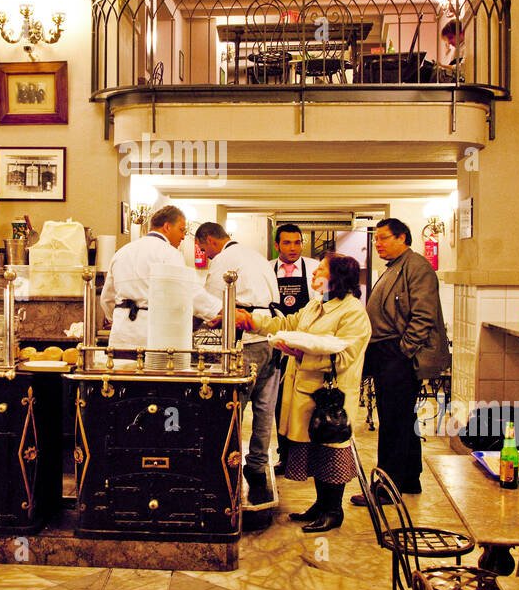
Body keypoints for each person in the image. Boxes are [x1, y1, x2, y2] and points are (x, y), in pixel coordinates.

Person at [236, 253, 370, 532]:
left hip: (330, 398)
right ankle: (320, 505)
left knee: (331, 450)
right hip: (305, 392)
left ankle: (334, 511)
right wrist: (253, 321)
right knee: (316, 451)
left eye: (320, 269)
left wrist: (302, 354)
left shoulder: (353, 311)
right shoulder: (315, 304)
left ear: (336, 277)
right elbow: (287, 324)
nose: (313, 273)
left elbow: (346, 355)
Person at [352, 217, 448, 504]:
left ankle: (387, 487)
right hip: (387, 352)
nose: (377, 244)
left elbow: (423, 315)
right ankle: (409, 478)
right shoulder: (397, 266)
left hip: (399, 354)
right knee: (403, 418)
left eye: (383, 238)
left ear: (402, 238)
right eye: (376, 239)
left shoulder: (417, 267)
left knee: (394, 421)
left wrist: (405, 351)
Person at [195, 222, 281, 504]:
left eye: (203, 248)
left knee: (234, 404)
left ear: (210, 240)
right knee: (265, 407)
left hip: (245, 340)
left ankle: (226, 463)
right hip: (270, 336)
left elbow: (209, 303)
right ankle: (256, 465)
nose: (205, 254)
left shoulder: (224, 259)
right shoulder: (256, 256)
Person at [100, 205, 222, 356]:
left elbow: (107, 299)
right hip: (154, 337)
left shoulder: (121, 253)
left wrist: (122, 317)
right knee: (155, 379)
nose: (183, 236)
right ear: (167, 227)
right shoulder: (169, 253)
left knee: (121, 377)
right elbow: (189, 292)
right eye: (181, 230)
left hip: (121, 336)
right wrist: (220, 310)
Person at [269, 223, 319, 473]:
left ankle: (307, 458)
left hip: (305, 344)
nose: (292, 248)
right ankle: (284, 455)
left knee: (305, 401)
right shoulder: (267, 269)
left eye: (297, 242)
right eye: (286, 243)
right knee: (280, 402)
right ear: (277, 245)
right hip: (276, 341)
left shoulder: (314, 268)